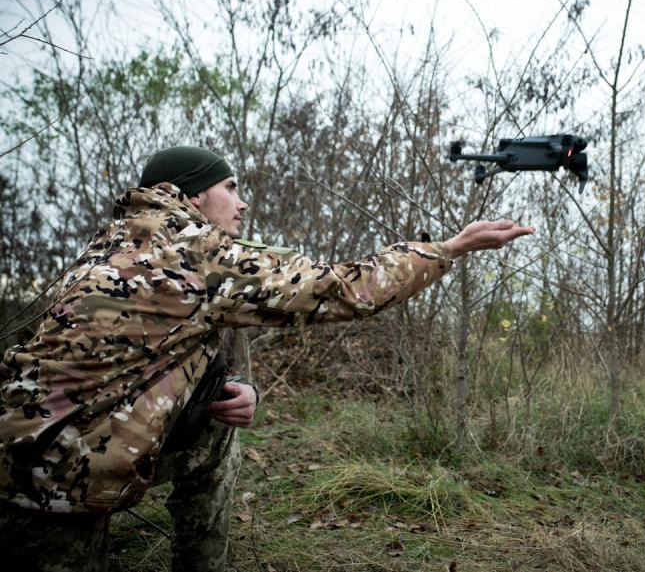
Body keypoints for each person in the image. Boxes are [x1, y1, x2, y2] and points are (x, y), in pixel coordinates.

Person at [0, 146, 533, 571]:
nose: (241, 202)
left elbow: (153, 344)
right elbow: (339, 289)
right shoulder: (193, 256)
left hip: (34, 450)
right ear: (190, 195)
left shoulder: (111, 244)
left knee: (216, 430)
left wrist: (231, 384)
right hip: (52, 480)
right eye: (230, 188)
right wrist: (451, 248)